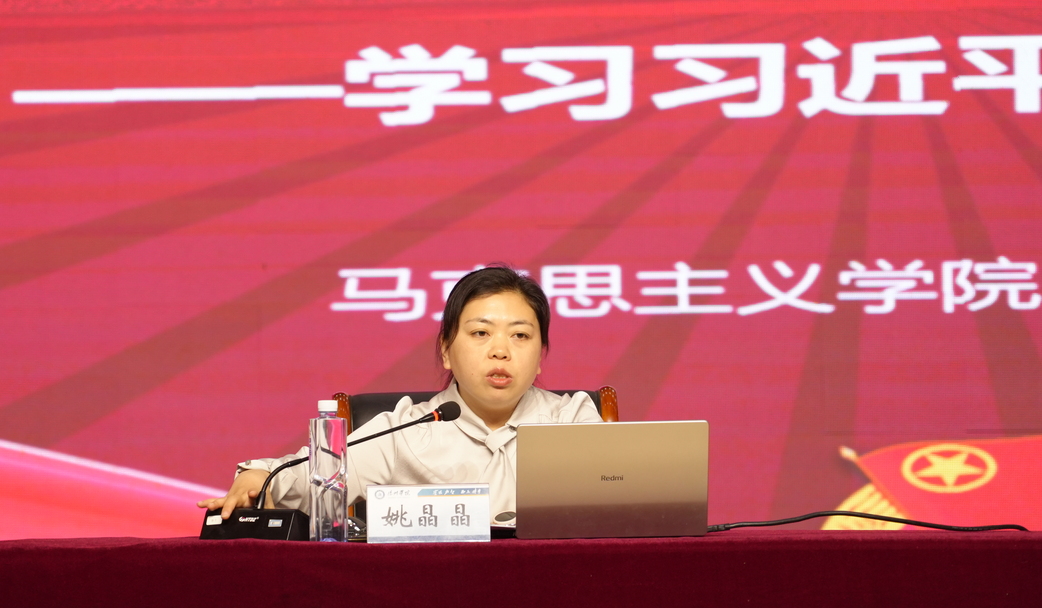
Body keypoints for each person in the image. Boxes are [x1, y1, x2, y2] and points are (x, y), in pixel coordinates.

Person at [197, 265, 602, 523]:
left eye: (520, 336)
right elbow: (305, 482)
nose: (501, 350)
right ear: (446, 350)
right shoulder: (404, 432)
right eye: (480, 333)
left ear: (540, 356)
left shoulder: (574, 421)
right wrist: (259, 476)